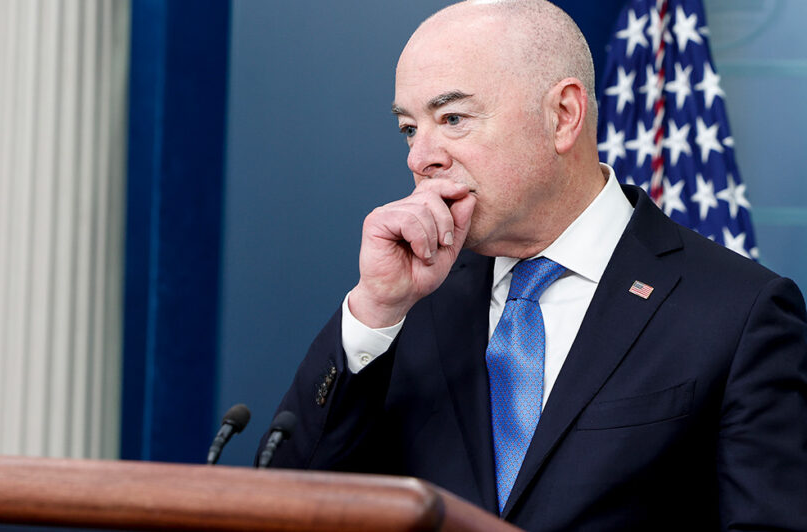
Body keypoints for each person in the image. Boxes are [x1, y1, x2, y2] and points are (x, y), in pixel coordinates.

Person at [259, 0, 807, 530]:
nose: (419, 157)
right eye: (409, 127)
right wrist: (375, 309)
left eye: (452, 117)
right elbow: (285, 506)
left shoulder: (738, 313)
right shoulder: (409, 305)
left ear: (563, 115)